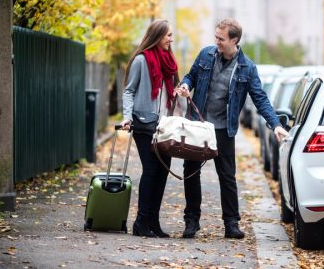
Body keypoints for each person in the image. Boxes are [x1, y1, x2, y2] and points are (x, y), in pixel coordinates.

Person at [174, 18, 289, 239]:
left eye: (221, 38)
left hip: (223, 130)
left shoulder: (247, 68)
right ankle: (191, 221)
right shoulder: (206, 55)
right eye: (216, 36)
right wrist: (186, 85)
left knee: (227, 176)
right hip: (199, 125)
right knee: (190, 172)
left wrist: (275, 124)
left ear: (234, 40)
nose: (216, 41)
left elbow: (260, 98)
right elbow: (191, 76)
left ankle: (231, 223)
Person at [120, 19, 179, 238]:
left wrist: (179, 93)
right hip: (144, 124)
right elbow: (128, 91)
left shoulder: (170, 62)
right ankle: (141, 222)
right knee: (151, 170)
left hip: (165, 125)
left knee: (163, 172)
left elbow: (170, 93)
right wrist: (127, 118)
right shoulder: (141, 60)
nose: (171, 40)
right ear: (157, 36)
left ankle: (153, 222)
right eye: (168, 35)